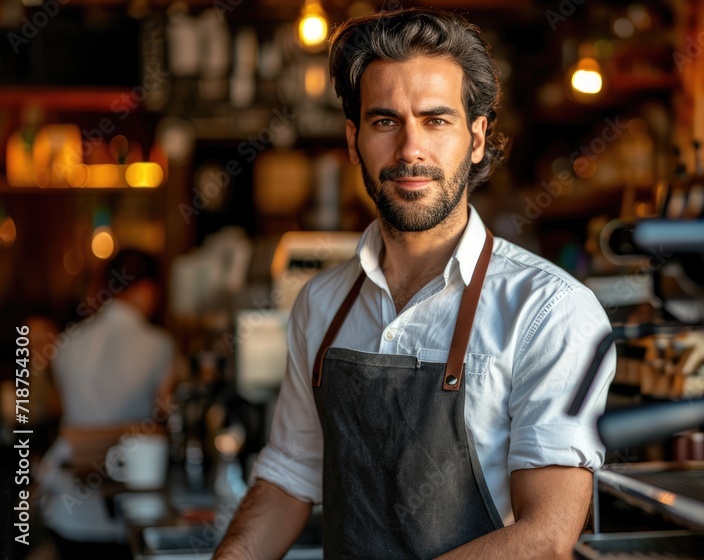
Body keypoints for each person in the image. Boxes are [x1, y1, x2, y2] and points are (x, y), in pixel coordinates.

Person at [214, 8, 616, 560]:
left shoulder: (549, 310)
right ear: (354, 140)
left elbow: (545, 537)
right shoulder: (322, 304)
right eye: (385, 122)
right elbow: (288, 476)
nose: (409, 150)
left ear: (476, 139)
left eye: (436, 120)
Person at [38, 248, 178, 558]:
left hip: (69, 508)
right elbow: (166, 414)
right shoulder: (160, 346)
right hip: (132, 512)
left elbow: (60, 404)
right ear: (147, 290)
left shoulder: (67, 343)